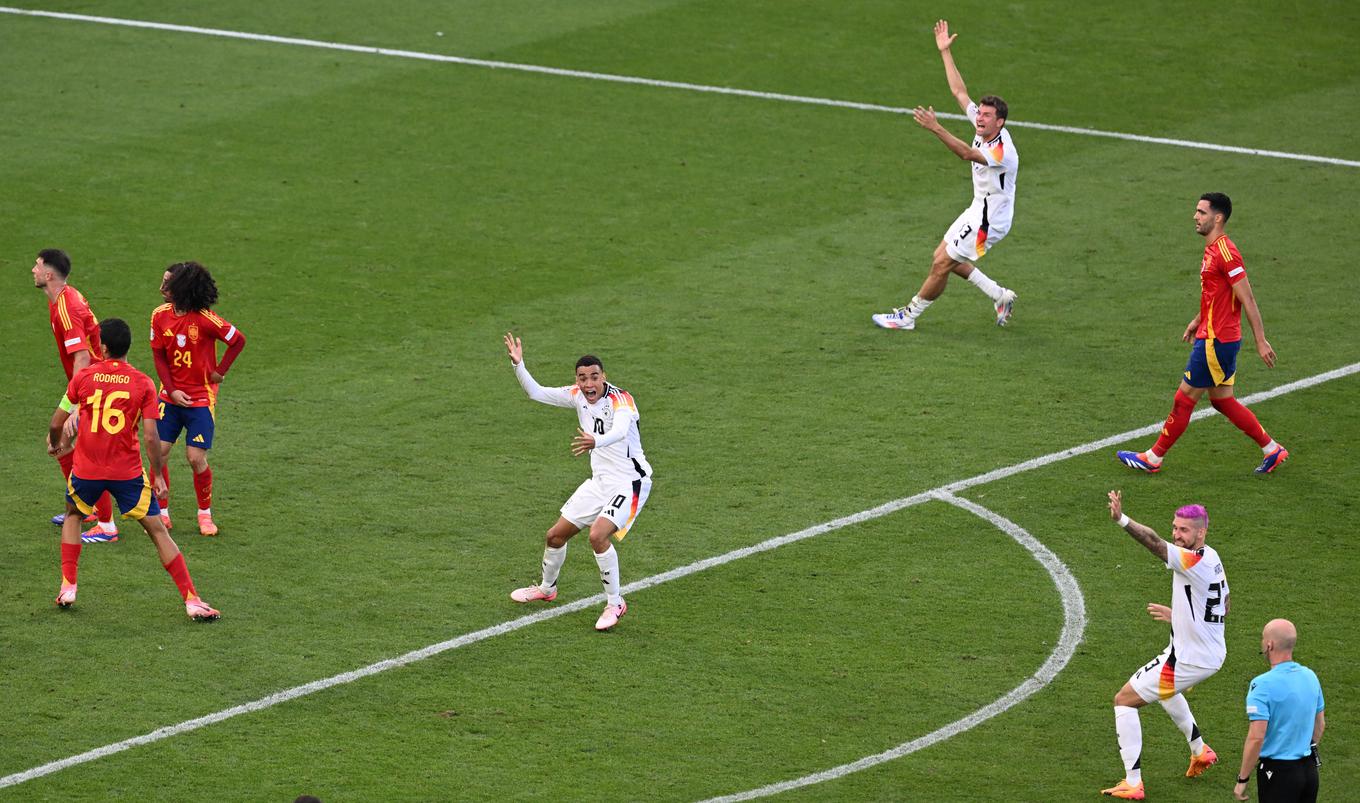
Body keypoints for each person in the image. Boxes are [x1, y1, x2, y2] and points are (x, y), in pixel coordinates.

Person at [47, 317, 221, 621]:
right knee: (156, 531)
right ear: (128, 348)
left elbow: (56, 423)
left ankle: (68, 586)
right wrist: (156, 474)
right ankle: (191, 599)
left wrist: (56, 444)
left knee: (73, 516)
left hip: (87, 468)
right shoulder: (143, 382)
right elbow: (151, 436)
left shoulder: (84, 377)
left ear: (101, 347)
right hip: (126, 473)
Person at [1117, 193, 1287, 475]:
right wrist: (1197, 320)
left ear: (1217, 218)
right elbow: (1215, 295)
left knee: (1184, 399)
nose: (1195, 216)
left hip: (1217, 341)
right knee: (1222, 401)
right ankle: (1272, 449)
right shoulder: (1212, 249)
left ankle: (1153, 457)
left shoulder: (1226, 253)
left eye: (1201, 212)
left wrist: (1260, 340)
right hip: (1213, 335)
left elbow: (1248, 298)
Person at [872, 19, 1018, 332]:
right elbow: (958, 91)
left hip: (990, 220)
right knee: (943, 255)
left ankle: (907, 317)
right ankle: (1000, 295)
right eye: (979, 112)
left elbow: (966, 153)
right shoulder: (982, 126)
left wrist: (935, 127)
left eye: (987, 115)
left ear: (1000, 123)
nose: (979, 117)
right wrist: (945, 52)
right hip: (979, 207)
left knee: (942, 263)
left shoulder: (1002, 152)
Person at [503, 332, 653, 631]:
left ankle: (615, 603)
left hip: (630, 482)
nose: (587, 385)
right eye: (582, 378)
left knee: (598, 536)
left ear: (603, 377)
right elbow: (537, 393)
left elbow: (621, 430)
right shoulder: (576, 395)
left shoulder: (621, 399)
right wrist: (519, 365)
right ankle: (547, 589)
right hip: (599, 482)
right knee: (555, 536)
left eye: (593, 378)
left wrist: (595, 441)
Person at [1101, 491, 1227, 800]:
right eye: (1175, 528)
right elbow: (1224, 603)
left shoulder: (1190, 559)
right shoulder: (1211, 558)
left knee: (1124, 700)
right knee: (1166, 691)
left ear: (1202, 532)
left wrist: (1122, 520)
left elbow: (1155, 543)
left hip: (1190, 658)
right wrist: (1182, 617)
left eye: (1184, 530)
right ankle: (1200, 750)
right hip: (1201, 652)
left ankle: (1133, 783)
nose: (1177, 535)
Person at [149, 261, 247, 536]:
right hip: (170, 397)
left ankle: (205, 514)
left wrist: (219, 372)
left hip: (200, 399)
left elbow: (237, 340)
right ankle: (162, 512)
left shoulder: (205, 319)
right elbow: (159, 356)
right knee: (159, 452)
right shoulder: (159, 315)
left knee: (195, 458)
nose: (161, 288)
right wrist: (171, 389)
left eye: (167, 284)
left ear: (182, 288)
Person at [32, 248, 117, 541]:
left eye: (37, 265)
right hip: (89, 381)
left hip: (94, 384)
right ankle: (87, 506)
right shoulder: (62, 299)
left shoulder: (66, 308)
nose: (33, 270)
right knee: (60, 443)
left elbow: (81, 357)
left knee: (82, 448)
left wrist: (76, 405)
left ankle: (106, 525)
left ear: (49, 274)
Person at [1232, 619, 1325, 802]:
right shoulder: (1310, 676)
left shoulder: (1262, 685)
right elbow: (1320, 724)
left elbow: (1257, 737)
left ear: (1269, 644)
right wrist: (1304, 747)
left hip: (1278, 775)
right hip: (1309, 772)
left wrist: (1242, 778)